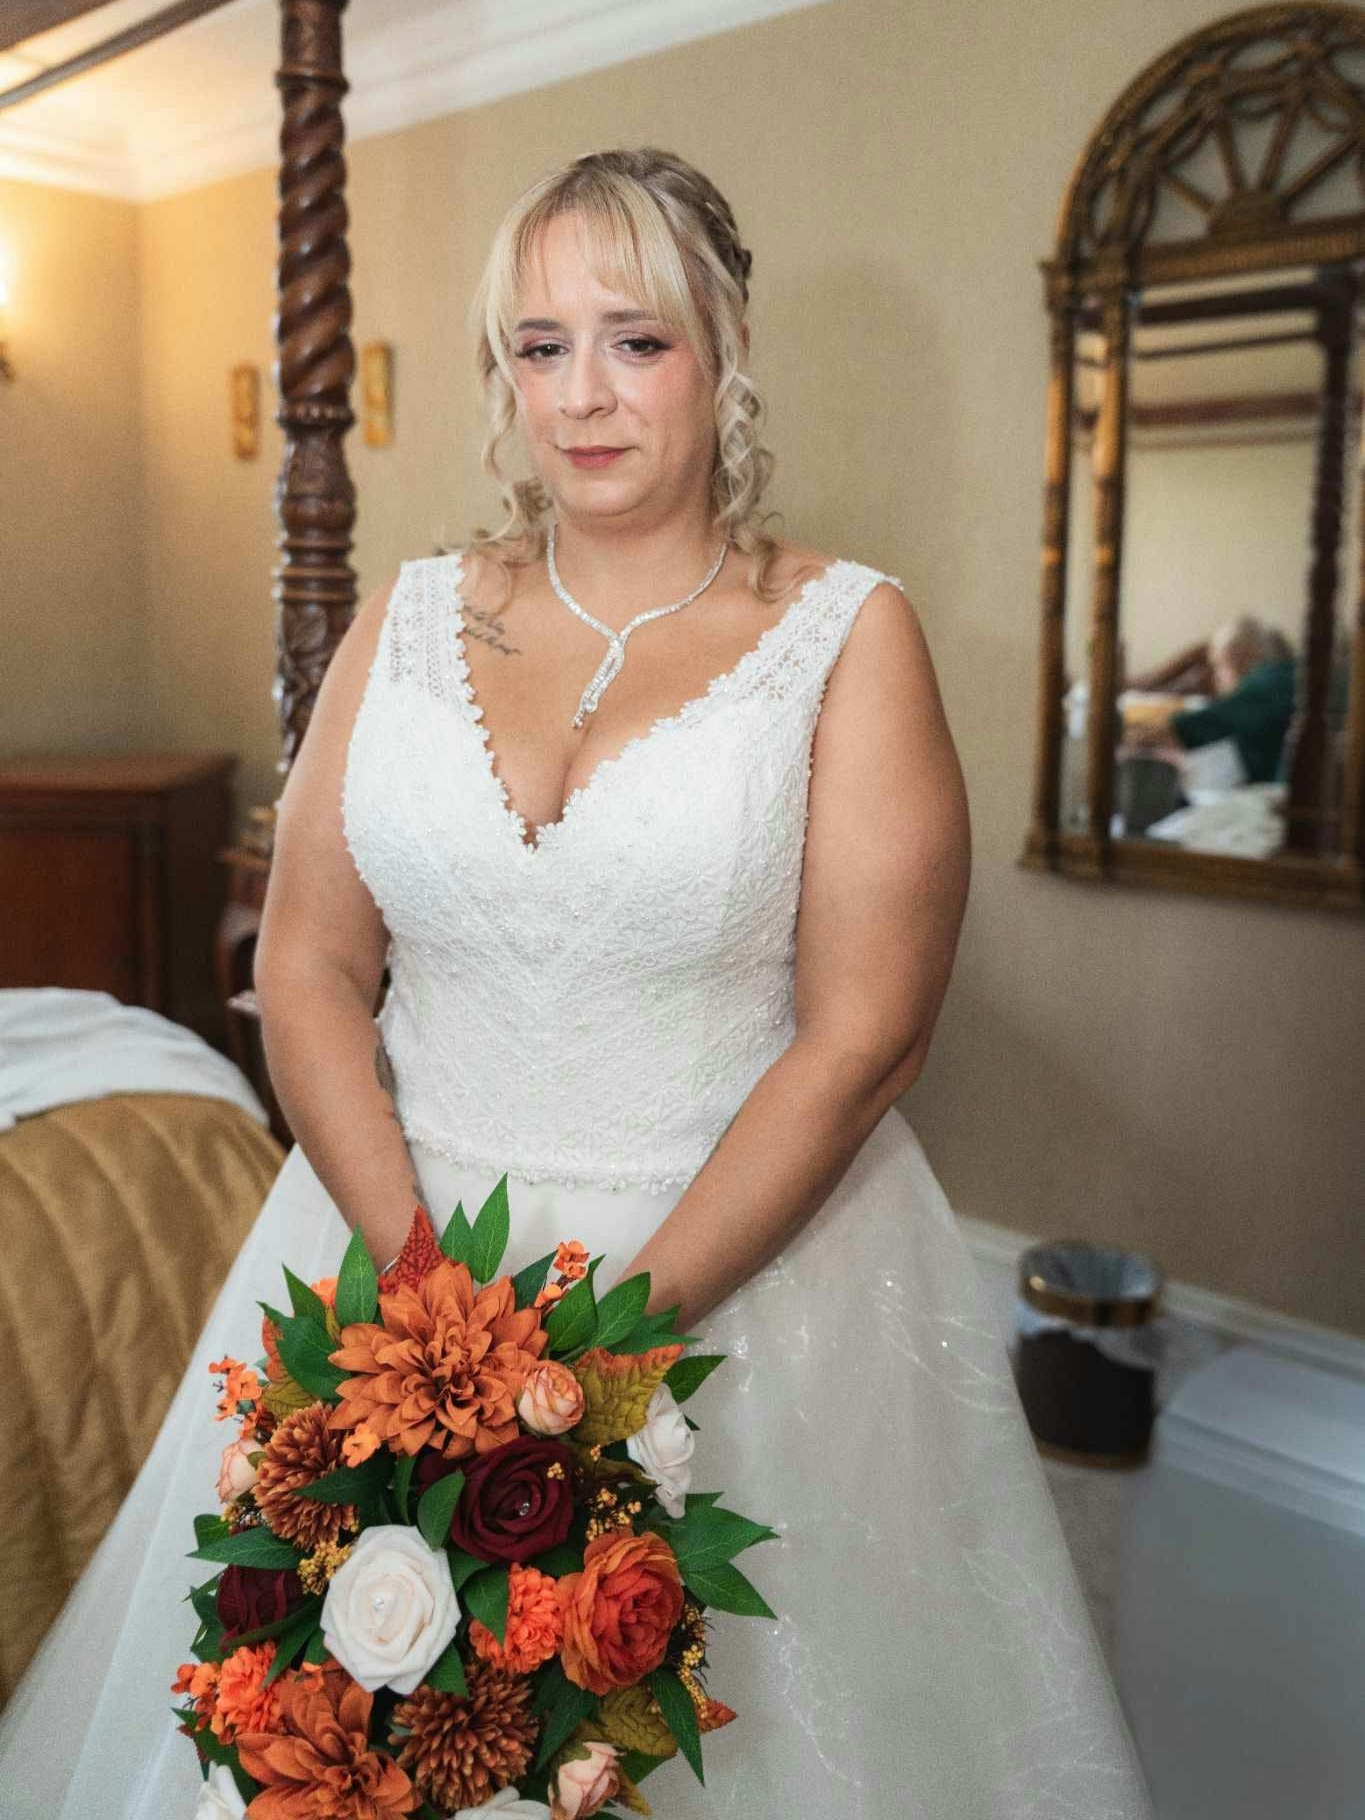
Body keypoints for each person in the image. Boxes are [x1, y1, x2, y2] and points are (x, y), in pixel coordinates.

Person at [0, 147, 1154, 1817]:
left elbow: (864, 1038)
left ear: (721, 350)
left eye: (636, 340)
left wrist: (606, 1354)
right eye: (539, 347)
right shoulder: (398, 623)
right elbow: (311, 963)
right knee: (342, 1737)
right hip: (392, 1260)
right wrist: (419, 1295)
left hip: (737, 1278)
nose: (582, 397)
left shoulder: (844, 633)